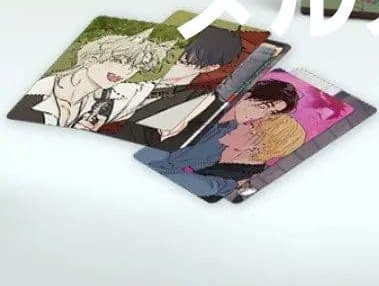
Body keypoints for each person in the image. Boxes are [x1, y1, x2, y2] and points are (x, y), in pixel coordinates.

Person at [96, 24, 268, 148]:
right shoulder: (133, 69)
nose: (168, 63)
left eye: (182, 61)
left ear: (209, 68)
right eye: (171, 54)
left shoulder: (195, 100)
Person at [137, 79, 305, 201]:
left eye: (270, 113)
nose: (260, 115)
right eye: (263, 107)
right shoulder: (206, 109)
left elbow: (172, 170)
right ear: (247, 96)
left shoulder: (226, 139)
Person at [7, 30, 172, 128]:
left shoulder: (114, 98)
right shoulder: (36, 93)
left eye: (135, 66)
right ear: (92, 58)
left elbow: (155, 88)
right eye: (119, 60)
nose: (125, 70)